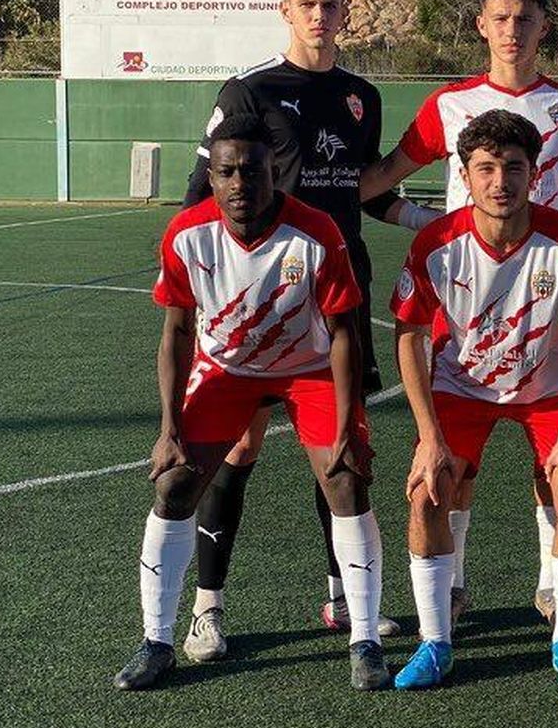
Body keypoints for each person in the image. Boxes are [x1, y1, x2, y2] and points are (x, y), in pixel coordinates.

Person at [362, 0, 558, 628]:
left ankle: (552, 583)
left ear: (544, 26)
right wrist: (319, 202)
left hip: (552, 301)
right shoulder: (449, 105)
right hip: (466, 303)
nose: (512, 30)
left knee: (557, 459)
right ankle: (453, 584)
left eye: (525, 19)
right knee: (453, 467)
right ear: (481, 26)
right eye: (500, 18)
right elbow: (385, 177)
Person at [181, 0, 422, 664]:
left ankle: (343, 599)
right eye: (307, 4)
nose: (319, 16)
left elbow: (363, 191)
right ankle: (207, 610)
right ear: (285, 10)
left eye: (331, 4)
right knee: (239, 449)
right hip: (260, 301)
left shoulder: (361, 96)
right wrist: (211, 288)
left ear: (347, 12)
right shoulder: (250, 90)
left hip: (338, 297)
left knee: (338, 450)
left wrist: (429, 220)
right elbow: (200, 193)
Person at [115, 115, 388, 691]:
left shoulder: (315, 232)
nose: (240, 183)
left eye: (252, 170)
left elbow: (344, 331)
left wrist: (347, 428)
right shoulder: (186, 233)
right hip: (227, 370)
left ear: (274, 172)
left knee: (345, 479)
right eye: (227, 172)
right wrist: (169, 428)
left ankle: (364, 640)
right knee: (174, 483)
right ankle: (156, 641)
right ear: (211, 177)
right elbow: (177, 332)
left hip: (309, 369)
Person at [387, 111, 558, 691]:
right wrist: (429, 436)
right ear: (464, 176)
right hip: (460, 387)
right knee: (427, 494)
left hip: (548, 389)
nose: (500, 181)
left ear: (535, 174)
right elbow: (410, 337)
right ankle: (435, 642)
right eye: (485, 168)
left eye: (514, 167)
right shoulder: (436, 244)